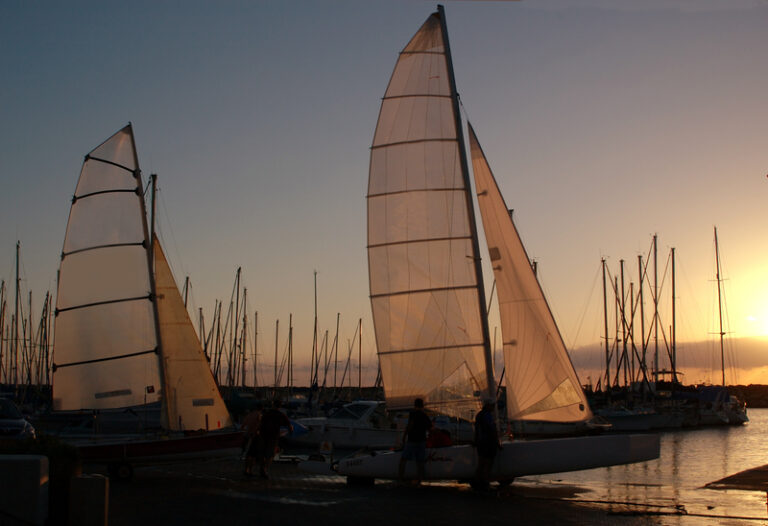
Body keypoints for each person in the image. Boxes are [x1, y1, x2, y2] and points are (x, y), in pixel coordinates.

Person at [398, 398, 432, 485]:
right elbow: (430, 427)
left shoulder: (413, 414)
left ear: (415, 405)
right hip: (422, 441)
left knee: (403, 459)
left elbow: (410, 426)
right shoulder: (424, 415)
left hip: (412, 440)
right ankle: (419, 480)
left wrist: (404, 436)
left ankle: (400, 479)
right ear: (422, 405)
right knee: (420, 461)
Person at [256, 399, 293, 479]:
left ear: (273, 405)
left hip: (263, 435)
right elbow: (289, 426)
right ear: (280, 406)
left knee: (262, 453)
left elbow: (260, 423)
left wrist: (257, 431)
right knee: (271, 454)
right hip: (273, 437)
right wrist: (290, 432)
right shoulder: (281, 415)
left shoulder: (266, 413)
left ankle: (262, 468)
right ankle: (265, 469)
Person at [473, 399, 500, 490]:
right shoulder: (487, 415)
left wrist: (475, 441)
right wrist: (497, 442)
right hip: (488, 442)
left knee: (481, 463)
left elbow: (478, 430)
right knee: (488, 463)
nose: (493, 407)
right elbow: (491, 430)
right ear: (488, 405)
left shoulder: (480, 415)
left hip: (481, 443)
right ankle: (484, 482)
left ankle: (478, 482)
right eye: (492, 405)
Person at [241, 407, 262, 476]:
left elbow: (242, 426)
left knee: (248, 453)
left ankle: (246, 469)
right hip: (254, 436)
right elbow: (259, 425)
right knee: (253, 455)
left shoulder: (249, 415)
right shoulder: (259, 415)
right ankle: (250, 470)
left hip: (247, 435)